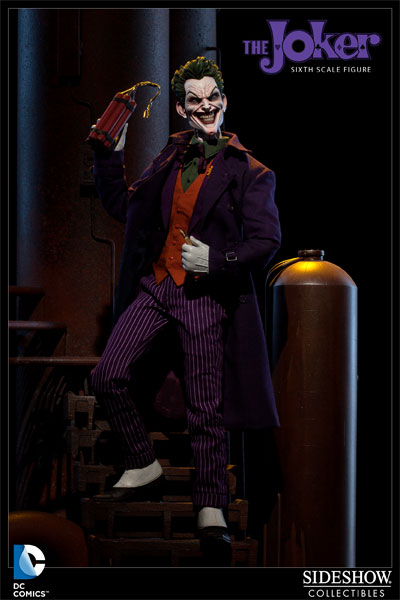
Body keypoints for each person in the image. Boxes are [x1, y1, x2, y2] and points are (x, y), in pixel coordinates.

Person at [90, 56, 281, 562]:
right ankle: (142, 463)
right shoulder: (171, 156)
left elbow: (267, 240)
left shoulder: (250, 171)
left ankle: (211, 508)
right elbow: (126, 207)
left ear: (224, 100)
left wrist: (217, 260)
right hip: (158, 286)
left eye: (212, 96)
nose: (205, 106)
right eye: (194, 99)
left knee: (205, 406)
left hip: (204, 296)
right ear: (181, 108)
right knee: (107, 375)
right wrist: (111, 154)